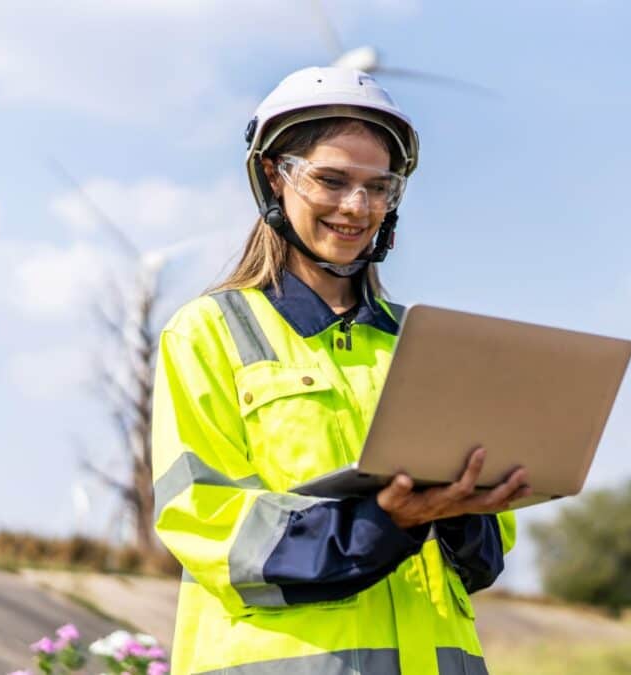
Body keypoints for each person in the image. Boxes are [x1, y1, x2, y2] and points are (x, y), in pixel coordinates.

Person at [151, 66, 530, 675]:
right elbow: (208, 525)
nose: (357, 207)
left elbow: (487, 560)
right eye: (331, 180)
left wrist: (461, 509)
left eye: (378, 187)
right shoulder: (209, 333)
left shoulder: (429, 346)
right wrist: (387, 522)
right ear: (275, 178)